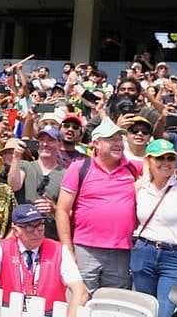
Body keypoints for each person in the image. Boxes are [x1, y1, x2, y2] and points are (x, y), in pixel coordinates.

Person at [0, 204, 88, 317]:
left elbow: (80, 292)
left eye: (40, 225)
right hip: (10, 310)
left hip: (49, 312)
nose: (37, 232)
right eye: (30, 227)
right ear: (16, 230)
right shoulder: (3, 247)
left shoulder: (59, 251)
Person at [55, 117, 138, 293]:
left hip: (121, 252)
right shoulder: (79, 167)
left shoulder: (133, 168)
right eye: (111, 139)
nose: (118, 144)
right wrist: (68, 249)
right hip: (85, 250)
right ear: (96, 144)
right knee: (80, 302)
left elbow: (162, 168)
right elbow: (62, 210)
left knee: (113, 307)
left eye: (119, 140)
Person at [132, 139, 177, 317]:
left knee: (167, 311)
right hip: (144, 252)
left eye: (170, 158)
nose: (166, 163)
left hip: (176, 258)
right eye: (160, 158)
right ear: (149, 160)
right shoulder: (139, 188)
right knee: (144, 309)